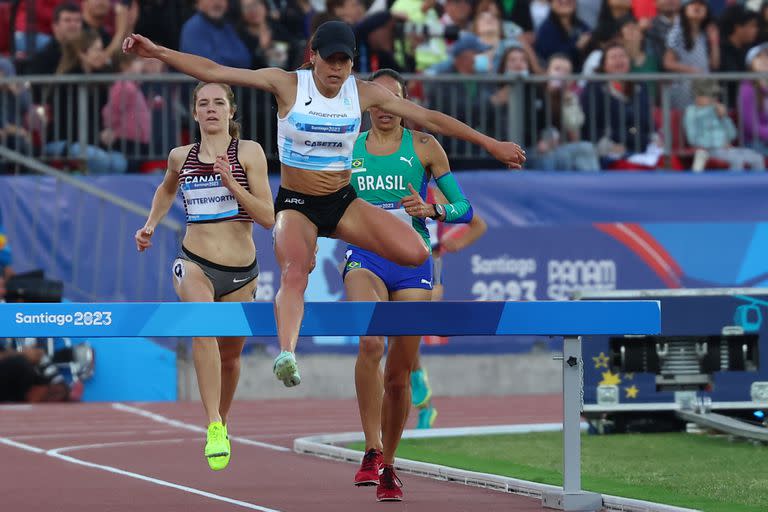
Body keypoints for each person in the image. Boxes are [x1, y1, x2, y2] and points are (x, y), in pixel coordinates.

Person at [123, 20, 526, 391]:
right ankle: (287, 354)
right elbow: (215, 72)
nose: (335, 69)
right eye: (329, 59)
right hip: (298, 204)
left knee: (415, 252)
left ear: (353, 64)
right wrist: (158, 51)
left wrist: (491, 145)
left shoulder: (364, 92)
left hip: (342, 200)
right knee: (295, 271)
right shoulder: (287, 85)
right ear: (312, 55)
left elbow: (430, 118)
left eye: (344, 61)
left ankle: (386, 319)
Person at [345, 68, 476, 501]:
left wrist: (431, 210)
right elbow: (322, 200)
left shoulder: (423, 146)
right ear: (366, 104)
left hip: (412, 262)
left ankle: (390, 465)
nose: (383, 108)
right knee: (369, 343)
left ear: (404, 104)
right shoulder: (349, 147)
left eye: (393, 99)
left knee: (399, 376)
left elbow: (464, 209)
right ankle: (370, 447)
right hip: (364, 258)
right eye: (376, 99)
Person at [133, 82, 275, 471]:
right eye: (203, 104)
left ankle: (222, 420)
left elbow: (266, 217)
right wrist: (150, 225)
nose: (210, 109)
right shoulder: (181, 156)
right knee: (202, 325)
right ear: (194, 113)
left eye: (218, 103)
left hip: (242, 273)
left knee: (230, 358)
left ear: (232, 111)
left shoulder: (248, 153)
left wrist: (231, 182)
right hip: (194, 262)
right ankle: (212, 423)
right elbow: (165, 190)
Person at [410, 185, 488, 430]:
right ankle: (423, 398)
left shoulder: (438, 195)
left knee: (406, 333)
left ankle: (422, 397)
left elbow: (478, 224)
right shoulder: (391, 186)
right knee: (399, 337)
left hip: (429, 267)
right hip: (394, 264)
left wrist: (457, 243)